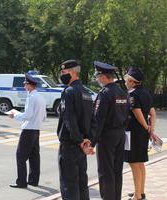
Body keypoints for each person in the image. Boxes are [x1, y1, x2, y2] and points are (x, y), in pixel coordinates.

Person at [90, 61, 129, 200]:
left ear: (103, 76)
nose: (97, 79)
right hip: (120, 135)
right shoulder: (122, 92)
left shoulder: (105, 94)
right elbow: (126, 116)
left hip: (106, 137)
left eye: (97, 76)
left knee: (106, 172)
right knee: (117, 170)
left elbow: (98, 120)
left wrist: (92, 142)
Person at [56, 60, 94, 199]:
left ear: (72, 72)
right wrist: (88, 143)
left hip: (71, 145)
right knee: (82, 184)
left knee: (69, 185)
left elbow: (69, 121)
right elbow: (92, 121)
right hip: (82, 146)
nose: (62, 75)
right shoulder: (87, 93)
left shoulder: (69, 92)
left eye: (63, 72)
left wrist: (79, 141)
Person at [124, 67, 157, 200]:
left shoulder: (132, 94)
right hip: (142, 134)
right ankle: (140, 191)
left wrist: (145, 127)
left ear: (132, 81)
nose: (125, 82)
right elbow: (153, 113)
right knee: (140, 163)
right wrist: (150, 129)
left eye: (127, 80)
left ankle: (137, 195)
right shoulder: (146, 93)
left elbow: (137, 113)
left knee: (134, 163)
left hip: (134, 133)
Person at [9, 73, 46, 188]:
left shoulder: (31, 97)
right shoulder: (40, 97)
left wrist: (15, 115)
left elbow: (28, 115)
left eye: (25, 84)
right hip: (36, 129)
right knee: (34, 156)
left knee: (21, 156)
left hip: (28, 130)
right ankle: (33, 180)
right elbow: (44, 116)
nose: (24, 86)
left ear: (30, 85)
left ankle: (21, 182)